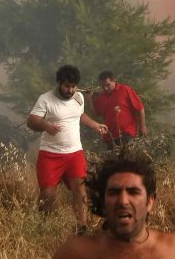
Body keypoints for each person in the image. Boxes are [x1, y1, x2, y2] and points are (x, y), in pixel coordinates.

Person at [53, 155, 175, 258]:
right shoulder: (76, 253)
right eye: (114, 192)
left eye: (133, 192)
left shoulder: (174, 251)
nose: (123, 201)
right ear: (102, 202)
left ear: (150, 202)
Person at [27, 64, 109, 235]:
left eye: (73, 86)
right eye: (67, 86)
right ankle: (45, 226)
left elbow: (79, 115)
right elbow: (31, 121)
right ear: (59, 83)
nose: (70, 90)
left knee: (80, 189)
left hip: (74, 154)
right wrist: (46, 125)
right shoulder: (46, 99)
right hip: (50, 155)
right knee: (47, 193)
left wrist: (95, 125)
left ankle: (82, 226)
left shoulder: (79, 97)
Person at [91, 71, 147, 150]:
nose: (105, 88)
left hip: (127, 133)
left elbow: (140, 108)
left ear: (114, 80)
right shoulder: (101, 96)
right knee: (114, 161)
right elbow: (96, 114)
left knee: (126, 158)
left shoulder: (125, 90)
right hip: (110, 136)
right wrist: (89, 99)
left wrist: (142, 126)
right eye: (103, 86)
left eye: (108, 85)